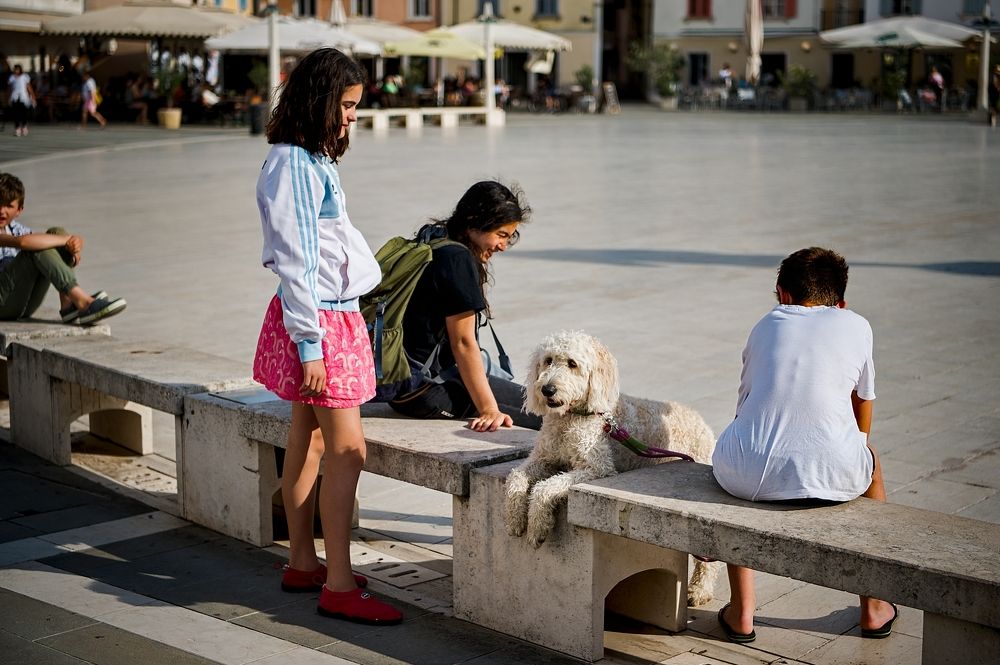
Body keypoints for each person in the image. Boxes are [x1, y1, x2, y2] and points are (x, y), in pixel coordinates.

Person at [252, 48, 402, 626]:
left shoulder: (305, 158)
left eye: (355, 107)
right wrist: (311, 346)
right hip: (322, 322)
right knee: (347, 451)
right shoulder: (293, 164)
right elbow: (297, 261)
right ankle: (338, 585)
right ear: (318, 101)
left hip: (322, 318)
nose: (351, 118)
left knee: (309, 444)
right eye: (345, 106)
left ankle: (302, 562)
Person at [711, 247, 896, 643]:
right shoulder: (857, 325)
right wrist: (856, 448)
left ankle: (742, 612)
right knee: (873, 463)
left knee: (741, 449)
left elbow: (745, 404)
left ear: (782, 294)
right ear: (841, 302)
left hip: (750, 476)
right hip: (839, 475)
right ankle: (874, 606)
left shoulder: (765, 325)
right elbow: (863, 399)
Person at [386, 180, 541, 432]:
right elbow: (463, 343)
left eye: (509, 238)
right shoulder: (458, 259)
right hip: (428, 393)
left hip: (402, 386)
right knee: (544, 412)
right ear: (474, 220)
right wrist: (489, 409)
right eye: (500, 235)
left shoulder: (433, 239)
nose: (503, 246)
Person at [0, 173, 126, 324]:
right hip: (2, 304)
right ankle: (83, 301)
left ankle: (68, 304)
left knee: (55, 232)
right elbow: (23, 243)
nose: (2, 210)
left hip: (23, 304)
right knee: (36, 246)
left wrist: (74, 242)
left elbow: (38, 241)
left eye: (9, 205)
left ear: (19, 210)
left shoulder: (17, 229)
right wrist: (67, 240)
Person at [7, 65, 34, 137]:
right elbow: (10, 88)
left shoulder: (25, 76)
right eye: (15, 69)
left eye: (18, 69)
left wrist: (33, 97)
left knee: (23, 113)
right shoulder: (12, 77)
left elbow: (29, 87)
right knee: (16, 114)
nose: (16, 71)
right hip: (14, 96)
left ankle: (24, 127)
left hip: (23, 97)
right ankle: (17, 129)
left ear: (20, 70)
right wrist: (8, 98)